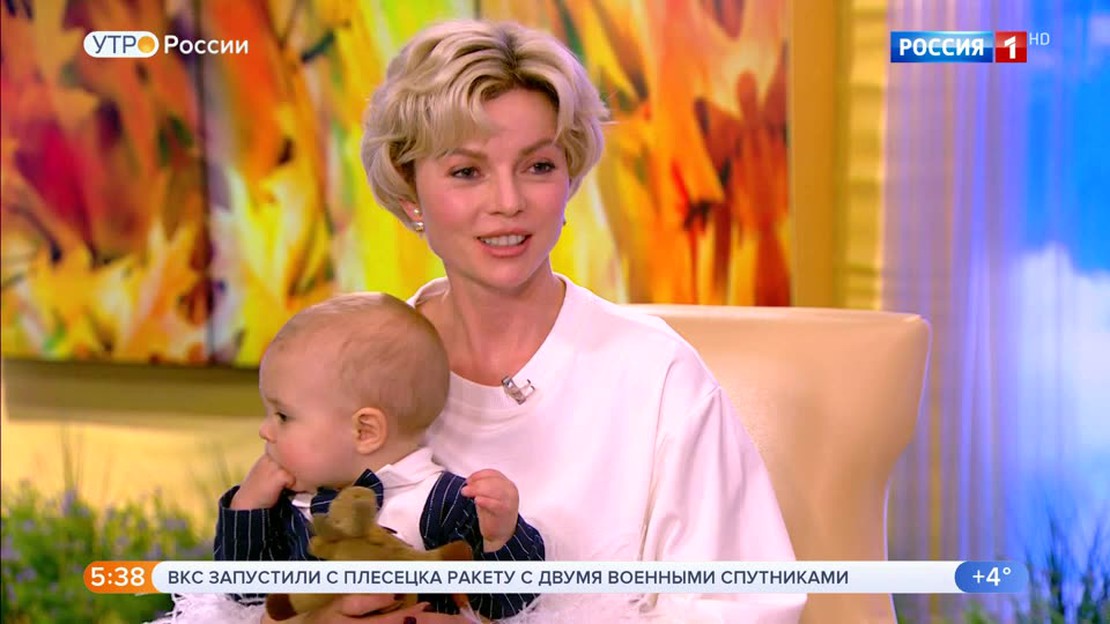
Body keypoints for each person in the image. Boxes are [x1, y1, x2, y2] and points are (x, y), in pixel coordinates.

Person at [282, 18, 804, 624]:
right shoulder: (353, 368)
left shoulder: (655, 372)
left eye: (537, 167)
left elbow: (738, 605)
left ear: (569, 176)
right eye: (467, 171)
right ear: (408, 189)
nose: (508, 202)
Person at [214, 292, 545, 621]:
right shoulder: (290, 505)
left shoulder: (443, 503)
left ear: (365, 431)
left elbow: (508, 607)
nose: (265, 431)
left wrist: (501, 538)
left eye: (283, 416)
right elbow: (246, 598)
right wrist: (248, 508)